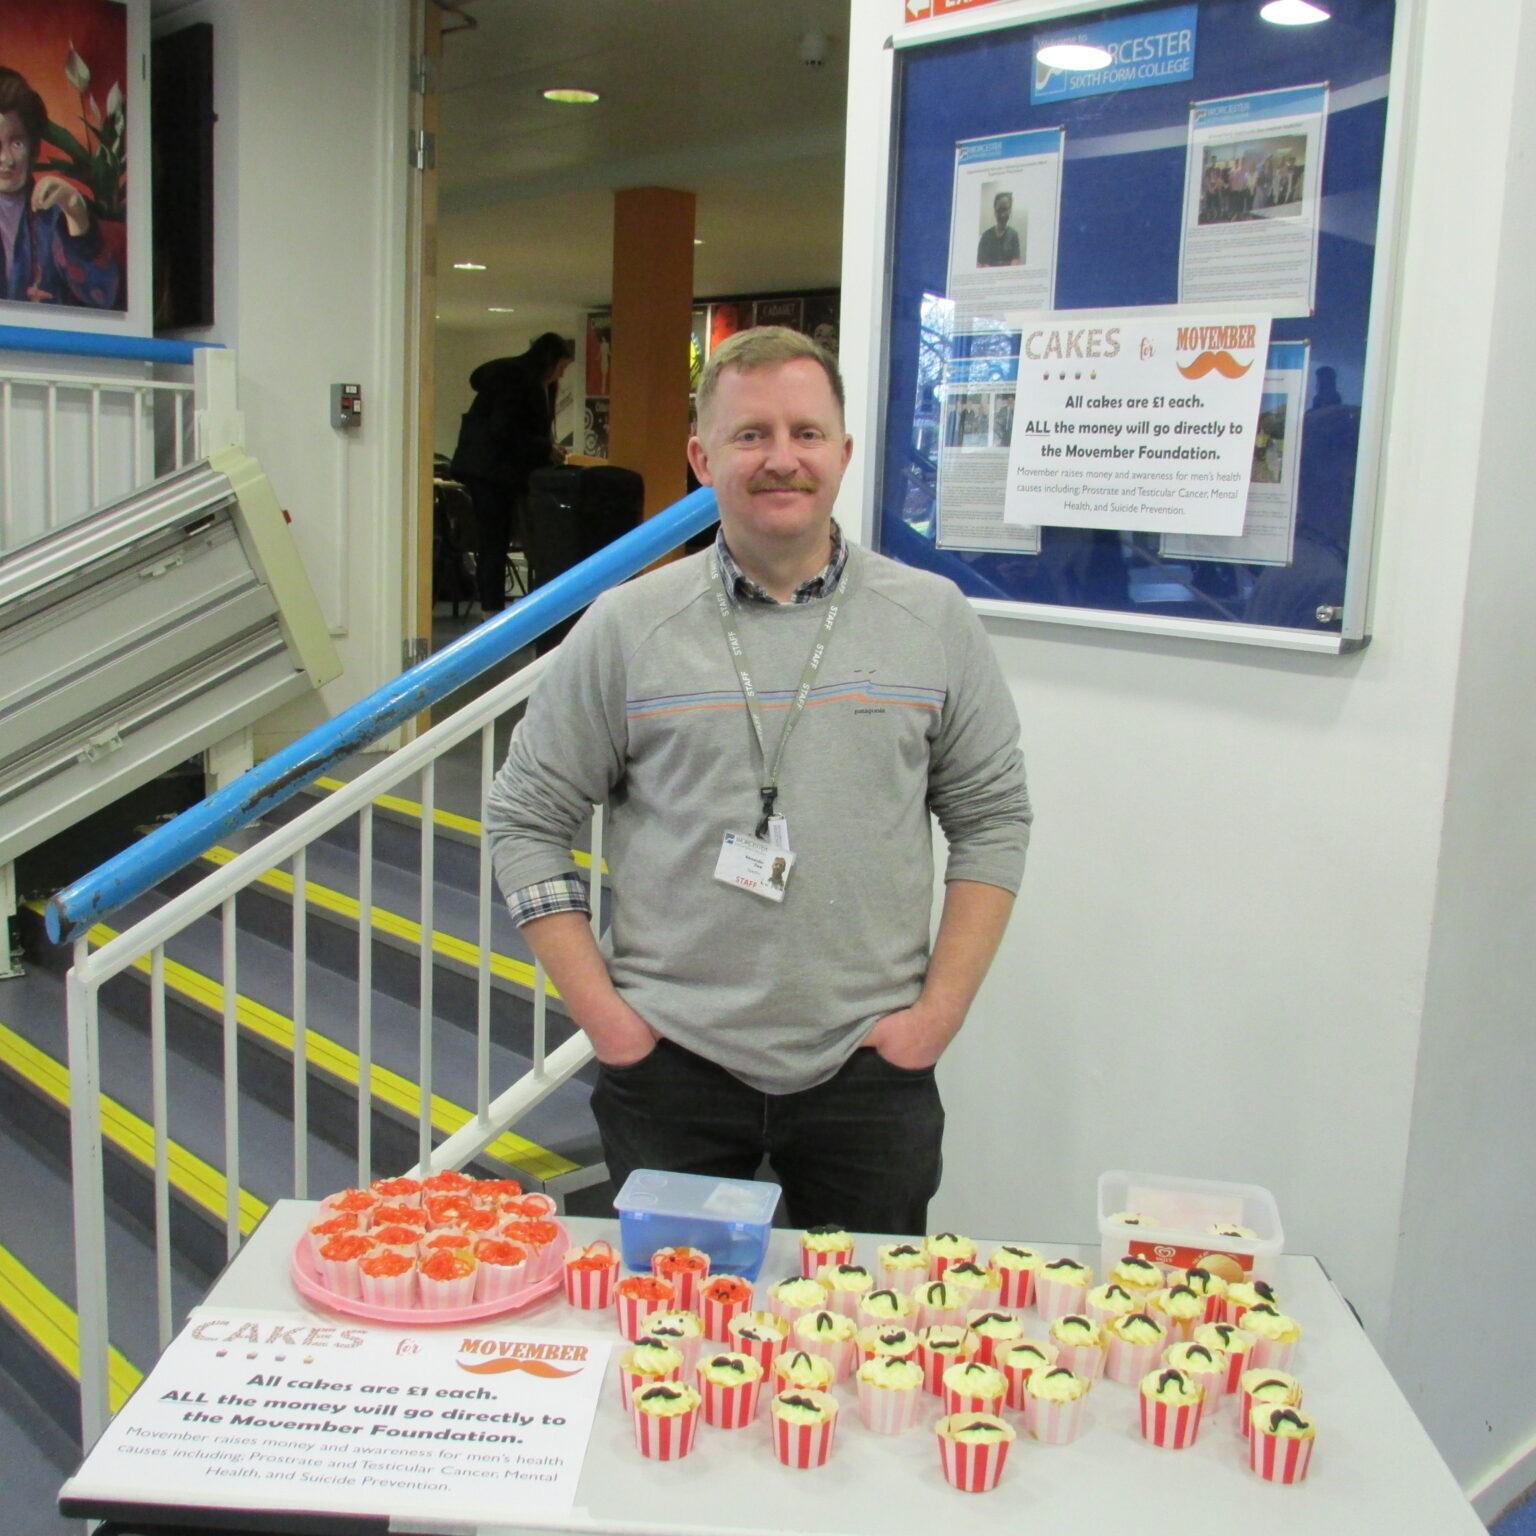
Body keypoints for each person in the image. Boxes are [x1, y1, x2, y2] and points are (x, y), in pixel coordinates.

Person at [484, 327, 1031, 1233]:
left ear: (844, 452)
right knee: (680, 1344)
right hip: (673, 1068)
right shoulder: (628, 627)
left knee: (865, 1347)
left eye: (806, 433)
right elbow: (525, 821)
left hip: (870, 1070)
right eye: (751, 436)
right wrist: (610, 1025)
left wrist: (938, 1014)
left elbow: (994, 819)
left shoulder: (932, 619)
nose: (783, 459)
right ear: (703, 457)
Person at [450, 331, 574, 614]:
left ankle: (492, 607)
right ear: (551, 362)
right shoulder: (520, 384)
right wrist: (545, 448)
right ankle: (492, 609)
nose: (561, 376)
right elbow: (505, 430)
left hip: (490, 473)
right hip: (495, 476)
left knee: (493, 541)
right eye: (562, 368)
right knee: (494, 541)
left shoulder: (513, 380)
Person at [0, 67, 120, 308]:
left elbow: (104, 297)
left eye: (17, 142)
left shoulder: (54, 212)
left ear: (33, 147)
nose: (7, 159)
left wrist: (77, 219)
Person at [976, 191, 1022, 268]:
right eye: (999, 210)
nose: (1002, 214)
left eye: (1005, 209)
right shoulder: (985, 236)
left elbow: (1016, 262)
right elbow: (981, 264)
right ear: (995, 211)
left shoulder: (1014, 235)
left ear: (1010, 210)